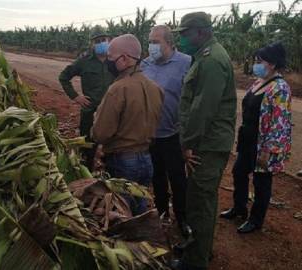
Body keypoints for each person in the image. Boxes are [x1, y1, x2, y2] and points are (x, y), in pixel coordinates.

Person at [170, 12, 237, 270]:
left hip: (205, 145)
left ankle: (195, 262)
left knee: (199, 203)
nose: (182, 40)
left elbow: (202, 109)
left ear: (200, 32)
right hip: (206, 142)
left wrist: (187, 144)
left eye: (184, 34)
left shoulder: (211, 60)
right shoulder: (205, 56)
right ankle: (199, 248)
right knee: (202, 200)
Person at [220, 42, 292, 234]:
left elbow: (279, 122)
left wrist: (269, 150)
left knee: (261, 182)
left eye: (260, 61)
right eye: (256, 60)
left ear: (274, 64)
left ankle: (256, 220)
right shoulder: (258, 82)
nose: (256, 64)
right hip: (248, 139)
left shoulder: (280, 88)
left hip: (263, 144)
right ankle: (239, 208)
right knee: (238, 172)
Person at [92, 34, 164, 215]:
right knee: (139, 208)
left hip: (122, 161)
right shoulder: (155, 87)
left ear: (124, 59)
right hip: (146, 159)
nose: (108, 62)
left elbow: (101, 133)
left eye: (110, 58)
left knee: (121, 212)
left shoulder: (118, 89)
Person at [141, 25, 191, 229]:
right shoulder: (144, 64)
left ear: (170, 43)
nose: (151, 46)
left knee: (178, 179)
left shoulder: (187, 62)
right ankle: (162, 214)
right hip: (150, 134)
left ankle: (183, 219)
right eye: (150, 42)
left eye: (156, 42)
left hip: (174, 134)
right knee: (157, 177)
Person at [59, 26, 115, 167]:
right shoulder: (84, 61)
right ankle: (87, 172)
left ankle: (110, 174)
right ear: (91, 43)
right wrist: (76, 97)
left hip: (111, 110)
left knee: (112, 146)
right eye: (97, 41)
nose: (101, 43)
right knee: (87, 146)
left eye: (103, 40)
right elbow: (64, 77)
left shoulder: (114, 60)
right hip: (90, 110)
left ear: (109, 40)